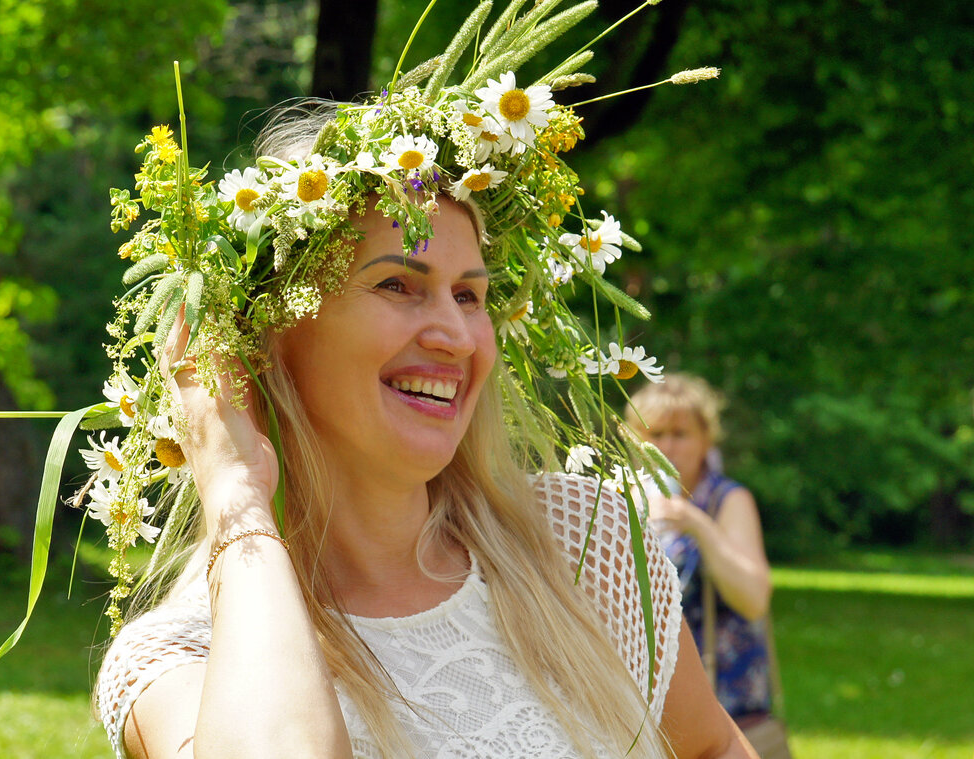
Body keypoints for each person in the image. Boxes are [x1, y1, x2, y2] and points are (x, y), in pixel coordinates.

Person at [76, 4, 752, 756]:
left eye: (470, 294)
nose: (456, 335)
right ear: (262, 336)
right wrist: (237, 497)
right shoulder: (179, 657)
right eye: (399, 284)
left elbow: (713, 745)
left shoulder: (586, 544)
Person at [625, 375, 775, 726]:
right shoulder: (626, 495)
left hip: (725, 696)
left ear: (707, 439)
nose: (667, 447)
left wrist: (699, 525)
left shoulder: (726, 499)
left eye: (680, 434)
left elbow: (754, 599)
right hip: (644, 696)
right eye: (655, 434)